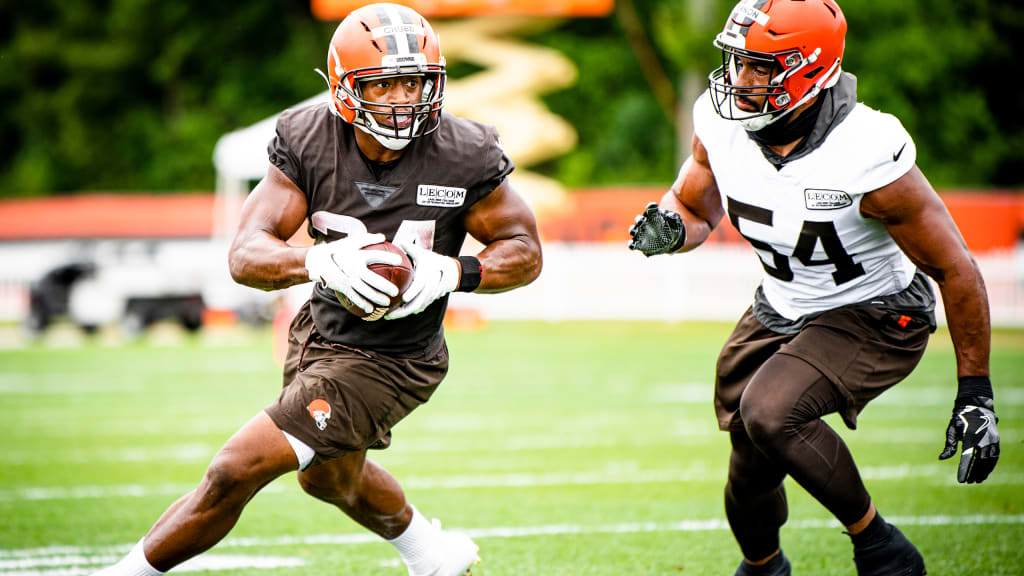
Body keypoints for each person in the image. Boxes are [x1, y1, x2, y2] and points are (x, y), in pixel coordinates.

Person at [92, 3, 541, 576]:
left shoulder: (464, 152)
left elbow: (524, 250)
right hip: (321, 331)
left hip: (395, 358)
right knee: (327, 477)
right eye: (385, 86)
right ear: (344, 89)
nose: (404, 102)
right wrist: (317, 260)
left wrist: (455, 272)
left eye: (415, 83)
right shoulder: (307, 139)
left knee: (237, 468)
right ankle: (434, 555)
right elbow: (246, 252)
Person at [628, 1, 999, 575]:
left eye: (758, 67)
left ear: (809, 69)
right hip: (781, 306)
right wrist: (671, 227)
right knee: (747, 467)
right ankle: (764, 566)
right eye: (735, 62)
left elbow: (956, 268)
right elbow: (694, 207)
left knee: (772, 411)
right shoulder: (719, 122)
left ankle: (880, 547)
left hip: (875, 311)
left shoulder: (866, 147)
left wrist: (975, 392)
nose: (738, 80)